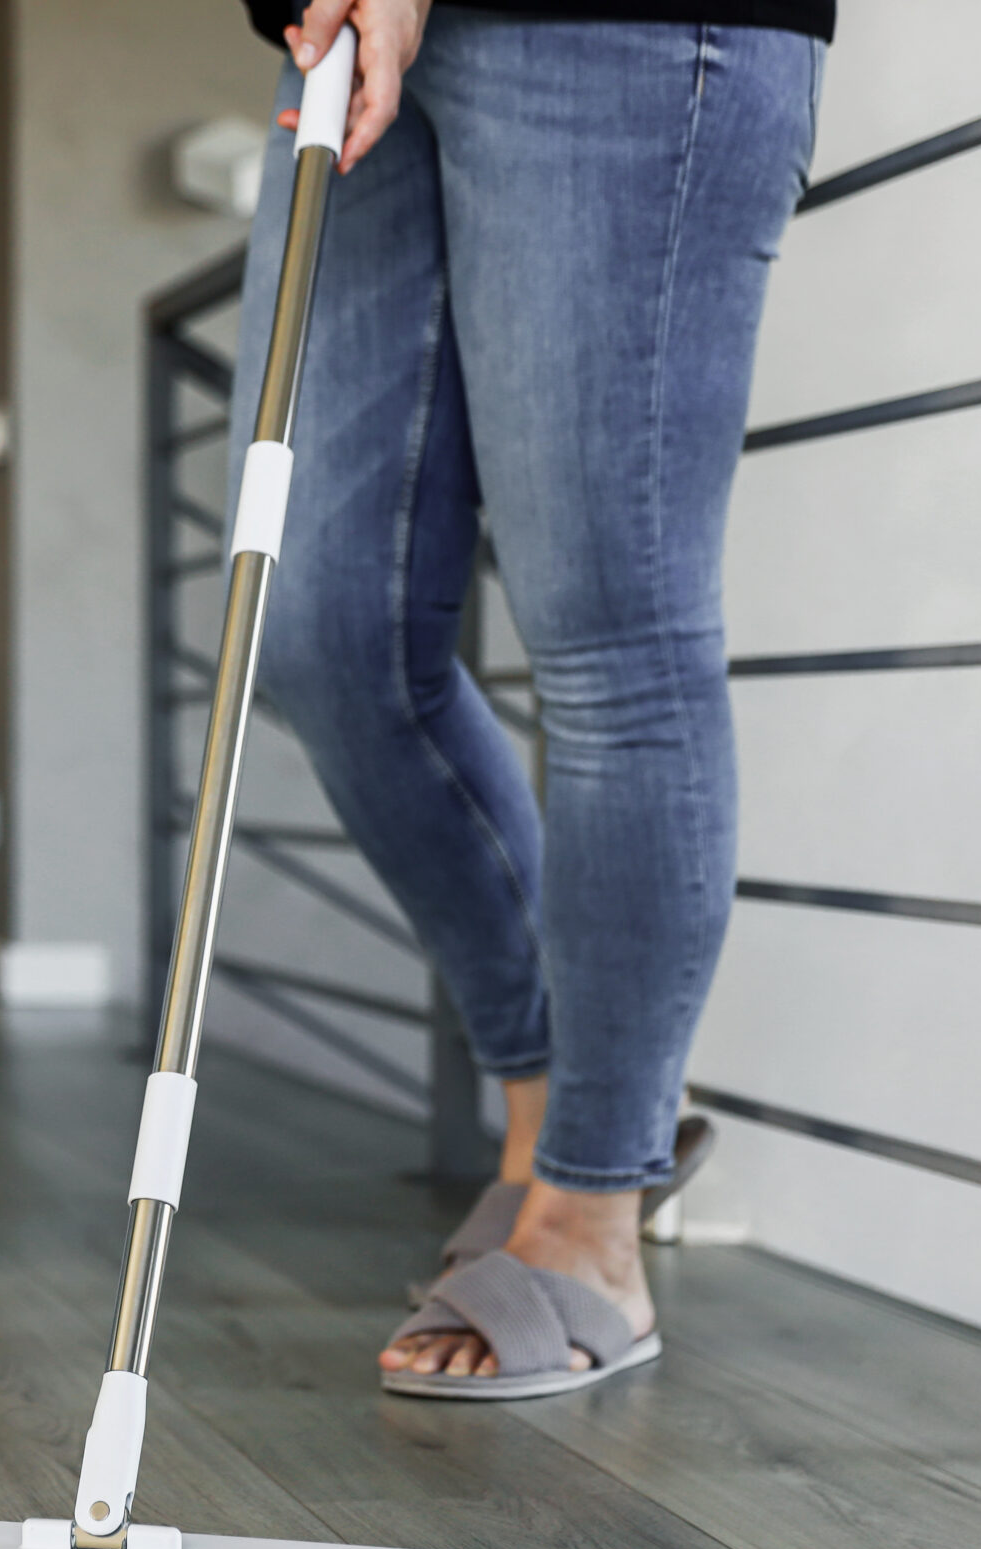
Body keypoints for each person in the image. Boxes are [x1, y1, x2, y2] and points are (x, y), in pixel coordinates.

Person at [226, 0, 829, 1396]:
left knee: (614, 634)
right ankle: (565, 1092)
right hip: (354, 44)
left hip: (629, 36)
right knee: (320, 631)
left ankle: (590, 1204)